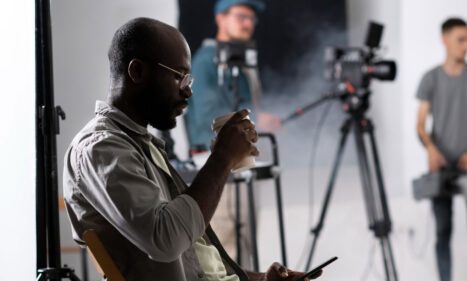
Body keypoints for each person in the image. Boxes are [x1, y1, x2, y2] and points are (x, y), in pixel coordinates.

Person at [63, 18, 320, 281]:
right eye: (179, 77)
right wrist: (221, 158)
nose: (188, 93)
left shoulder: (141, 145)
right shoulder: (102, 148)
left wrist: (262, 280)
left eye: (188, 79)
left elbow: (198, 265)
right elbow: (165, 240)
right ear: (137, 71)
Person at [416, 18, 467, 281]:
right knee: (443, 233)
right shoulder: (430, 78)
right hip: (441, 167)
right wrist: (431, 150)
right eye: (461, 39)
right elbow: (420, 125)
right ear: (445, 39)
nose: (466, 45)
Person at [185, 0, 280, 151]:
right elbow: (207, 118)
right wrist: (255, 119)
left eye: (251, 18)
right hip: (213, 160)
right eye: (241, 17)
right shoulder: (206, 61)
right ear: (220, 19)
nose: (248, 24)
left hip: (238, 155)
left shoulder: (240, 64)